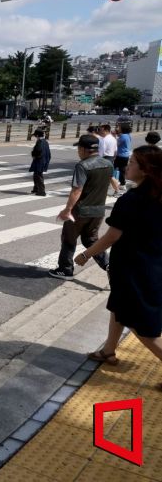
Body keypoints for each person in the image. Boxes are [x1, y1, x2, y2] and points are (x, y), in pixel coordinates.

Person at [75, 146, 162, 387]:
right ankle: (108, 350)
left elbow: (112, 236)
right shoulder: (157, 195)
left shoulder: (132, 200)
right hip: (152, 263)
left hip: (134, 268)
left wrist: (86, 254)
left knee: (140, 326)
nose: (127, 165)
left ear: (145, 170)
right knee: (119, 306)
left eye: (133, 162)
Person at [48, 134, 113, 280]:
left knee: (69, 238)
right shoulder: (108, 164)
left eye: (78, 148)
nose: (78, 151)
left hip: (81, 210)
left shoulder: (83, 165)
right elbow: (110, 181)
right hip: (99, 210)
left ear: (84, 149)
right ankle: (108, 265)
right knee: (91, 239)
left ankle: (65, 269)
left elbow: (77, 190)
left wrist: (67, 209)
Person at [98, 124, 121, 196]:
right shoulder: (113, 138)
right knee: (109, 176)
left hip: (105, 158)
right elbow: (115, 150)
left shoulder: (104, 140)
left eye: (101, 130)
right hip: (111, 158)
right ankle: (105, 191)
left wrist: (98, 160)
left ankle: (117, 191)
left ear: (105, 130)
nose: (100, 132)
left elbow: (101, 152)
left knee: (109, 176)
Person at [29, 128, 51, 196]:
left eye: (35, 135)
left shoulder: (39, 142)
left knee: (38, 175)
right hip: (44, 160)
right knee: (36, 175)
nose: (35, 137)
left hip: (39, 161)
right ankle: (36, 189)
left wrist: (33, 155)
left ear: (37, 135)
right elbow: (49, 154)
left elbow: (38, 151)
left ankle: (42, 191)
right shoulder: (45, 142)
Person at [114, 123, 132, 189]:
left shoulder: (123, 136)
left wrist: (114, 136)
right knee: (122, 169)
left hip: (120, 155)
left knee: (113, 168)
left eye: (119, 127)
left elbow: (117, 144)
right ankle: (122, 183)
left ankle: (120, 183)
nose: (117, 128)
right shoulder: (128, 135)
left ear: (122, 129)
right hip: (126, 155)